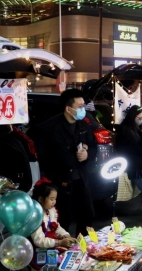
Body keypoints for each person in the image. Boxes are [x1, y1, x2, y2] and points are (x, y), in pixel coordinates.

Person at [35, 88, 97, 236]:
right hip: (60, 180)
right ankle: (63, 247)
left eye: (84, 105)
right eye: (80, 106)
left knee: (87, 213)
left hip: (81, 177)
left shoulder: (83, 125)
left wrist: (87, 154)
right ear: (68, 109)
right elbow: (43, 157)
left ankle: (84, 245)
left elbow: (93, 145)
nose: (83, 109)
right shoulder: (50, 128)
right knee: (63, 217)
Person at [29, 177, 77, 271]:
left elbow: (57, 227)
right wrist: (59, 242)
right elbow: (39, 241)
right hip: (41, 251)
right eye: (51, 199)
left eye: (55, 199)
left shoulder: (50, 211)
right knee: (59, 264)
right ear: (40, 199)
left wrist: (65, 235)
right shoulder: (35, 217)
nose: (54, 202)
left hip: (52, 246)